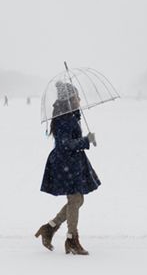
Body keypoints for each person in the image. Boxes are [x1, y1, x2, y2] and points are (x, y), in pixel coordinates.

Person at [35, 81, 100, 255]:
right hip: (65, 163)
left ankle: (50, 228)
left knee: (77, 200)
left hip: (71, 163)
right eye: (76, 96)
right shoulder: (64, 118)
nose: (79, 99)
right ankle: (72, 239)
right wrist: (86, 140)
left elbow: (69, 142)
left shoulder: (71, 115)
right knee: (75, 200)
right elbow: (64, 144)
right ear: (70, 99)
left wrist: (86, 139)